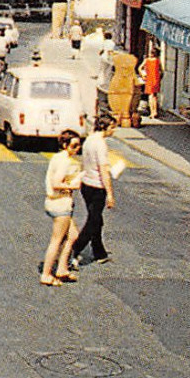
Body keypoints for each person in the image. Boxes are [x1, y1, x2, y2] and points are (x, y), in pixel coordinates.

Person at [40, 131, 84, 286]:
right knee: (57, 240)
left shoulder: (59, 157)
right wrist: (73, 185)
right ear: (65, 145)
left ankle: (62, 268)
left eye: (79, 145)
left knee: (72, 235)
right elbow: (56, 183)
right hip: (60, 203)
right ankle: (46, 274)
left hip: (57, 202)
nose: (77, 148)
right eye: (74, 145)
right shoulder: (65, 161)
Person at [74, 113, 118, 266]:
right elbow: (103, 171)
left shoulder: (89, 140)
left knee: (96, 219)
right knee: (93, 222)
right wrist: (110, 194)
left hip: (86, 184)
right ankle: (73, 250)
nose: (114, 131)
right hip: (97, 187)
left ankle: (99, 252)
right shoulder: (100, 144)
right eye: (113, 127)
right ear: (105, 127)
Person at [138, 45, 162, 119]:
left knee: (150, 96)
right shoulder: (158, 60)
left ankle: (152, 113)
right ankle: (155, 111)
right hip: (156, 79)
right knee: (154, 96)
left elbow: (139, 68)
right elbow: (161, 70)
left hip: (149, 78)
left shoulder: (147, 60)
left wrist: (142, 75)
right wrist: (160, 78)